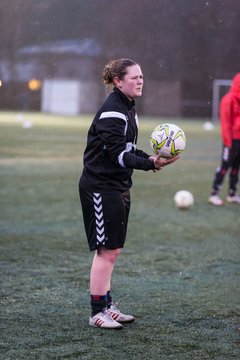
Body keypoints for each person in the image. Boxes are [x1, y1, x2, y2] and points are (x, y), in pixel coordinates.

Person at [78, 58, 179, 329]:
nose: (140, 81)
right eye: (134, 77)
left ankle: (107, 305)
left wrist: (148, 157)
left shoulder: (127, 108)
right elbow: (116, 153)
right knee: (105, 251)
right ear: (118, 81)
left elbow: (128, 147)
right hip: (100, 187)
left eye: (142, 77)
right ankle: (97, 312)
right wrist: (149, 163)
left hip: (117, 186)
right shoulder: (113, 111)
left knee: (113, 251)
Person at [208, 73, 240, 206]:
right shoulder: (229, 99)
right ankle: (214, 194)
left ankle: (232, 194)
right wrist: (228, 142)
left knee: (236, 167)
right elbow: (226, 123)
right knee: (225, 165)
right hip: (231, 140)